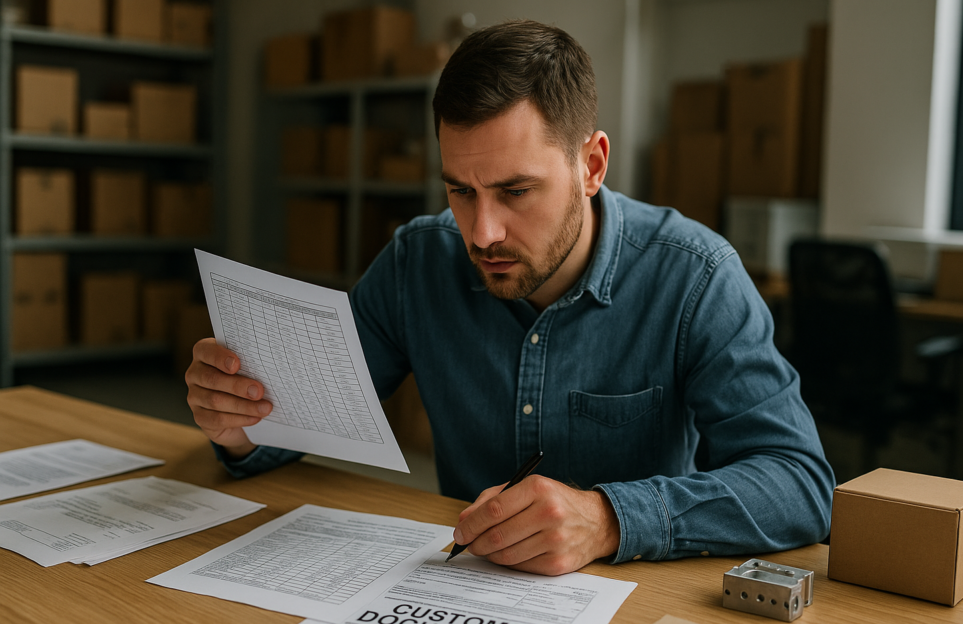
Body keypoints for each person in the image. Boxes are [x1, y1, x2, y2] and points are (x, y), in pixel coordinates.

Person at [186, 19, 834, 577]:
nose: (482, 232)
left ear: (591, 165)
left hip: (633, 603)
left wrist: (609, 519)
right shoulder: (417, 262)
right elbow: (298, 420)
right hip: (461, 589)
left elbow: (800, 483)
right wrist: (240, 425)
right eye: (460, 191)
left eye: (515, 191)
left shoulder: (695, 277)